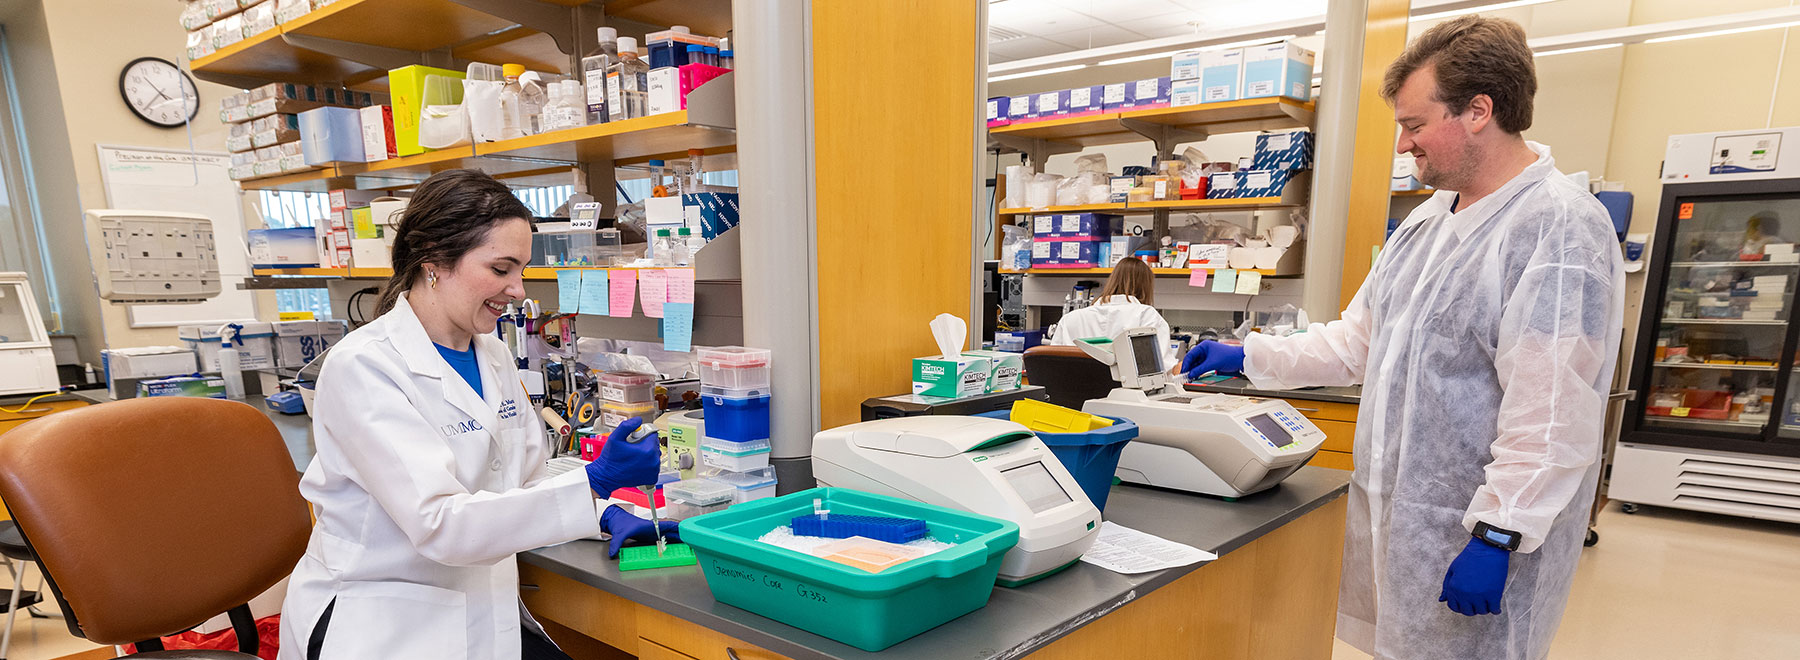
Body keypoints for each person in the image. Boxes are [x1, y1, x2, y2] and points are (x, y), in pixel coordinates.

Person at [1181, 16, 1622, 660]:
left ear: (1478, 110)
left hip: (1486, 534)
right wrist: (1248, 354)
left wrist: (1501, 531)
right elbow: (1357, 343)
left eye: (1414, 126)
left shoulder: (1557, 230)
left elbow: (1552, 412)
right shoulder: (1427, 223)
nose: (1401, 146)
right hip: (1405, 526)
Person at [278, 170, 678, 660]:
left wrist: (604, 510)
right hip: (387, 624)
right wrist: (593, 481)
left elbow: (523, 485)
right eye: (501, 269)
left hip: (482, 610)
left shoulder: (490, 354)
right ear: (433, 261)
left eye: (522, 270)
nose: (518, 289)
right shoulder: (365, 367)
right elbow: (440, 525)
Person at [1049, 257, 1177, 368]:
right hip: (1127, 396)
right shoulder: (1147, 316)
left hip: (1074, 395)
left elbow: (1050, 364)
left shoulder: (1070, 319)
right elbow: (1164, 370)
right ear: (1146, 287)